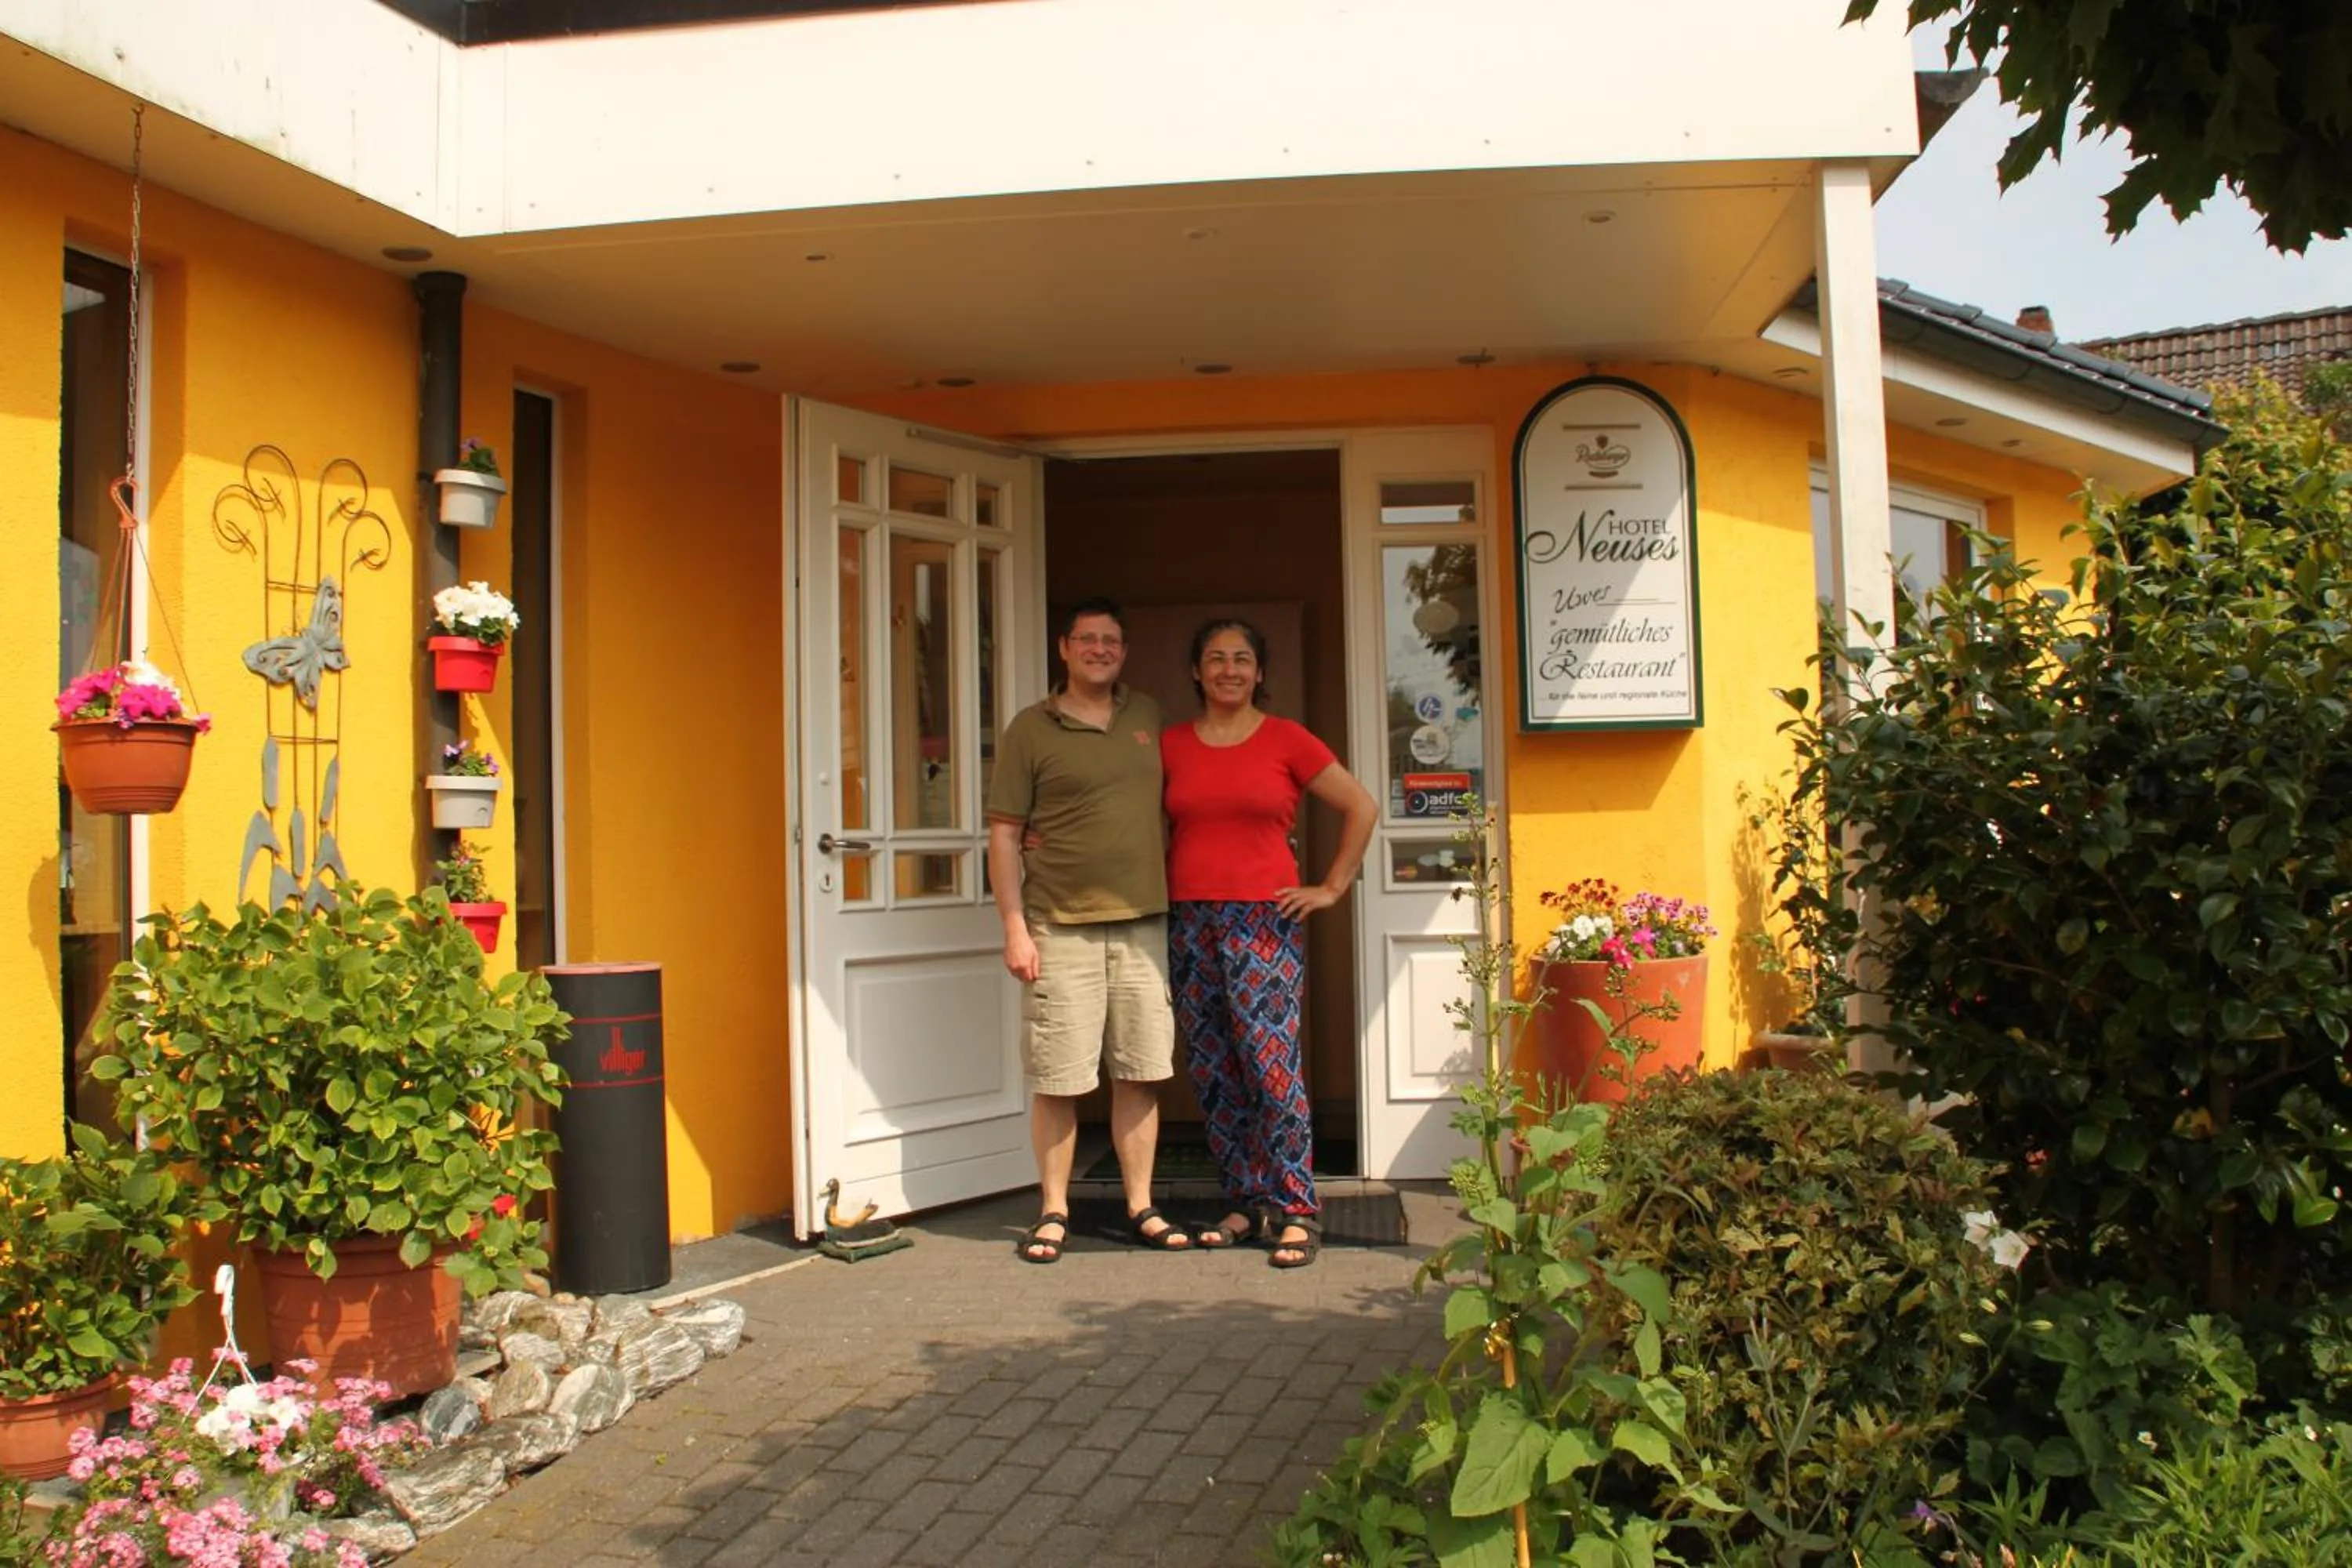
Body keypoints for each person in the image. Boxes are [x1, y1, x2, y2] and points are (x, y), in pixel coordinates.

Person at [1162, 618, 1376, 1268]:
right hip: (1189, 918)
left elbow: (1361, 807)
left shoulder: (1287, 739)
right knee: (1213, 1069)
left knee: (1269, 1064)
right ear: (1196, 671)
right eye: (1216, 658)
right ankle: (1246, 1200)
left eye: (1242, 659)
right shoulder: (1170, 744)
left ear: (1259, 672)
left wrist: (1331, 887)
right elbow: (1119, 814)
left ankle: (1297, 1207)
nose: (1229, 669)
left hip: (1263, 920)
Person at [985, 597, 1192, 1263]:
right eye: (1087, 639)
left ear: (1123, 652)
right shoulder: (1030, 729)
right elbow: (1005, 834)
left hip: (1143, 925)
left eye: (1110, 640)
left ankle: (1142, 1206)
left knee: (1140, 1072)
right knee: (1059, 1078)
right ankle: (1053, 1210)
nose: (1099, 649)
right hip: (1059, 927)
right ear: (1064, 648)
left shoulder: (1147, 715)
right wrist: (1015, 928)